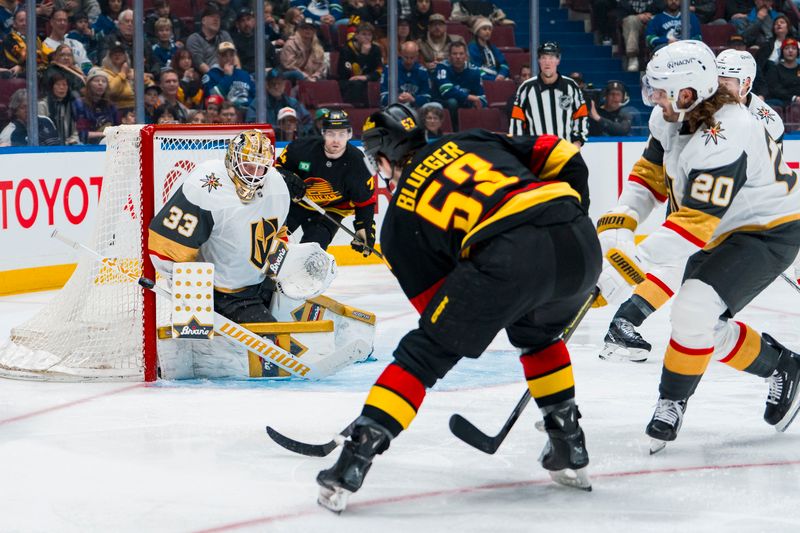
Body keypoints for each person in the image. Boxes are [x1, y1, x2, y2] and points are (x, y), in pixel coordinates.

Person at [316, 103, 600, 513]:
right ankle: (569, 445)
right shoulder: (470, 139)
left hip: (507, 254)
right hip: (579, 242)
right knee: (537, 335)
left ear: (382, 159)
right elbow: (563, 155)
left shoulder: (397, 223)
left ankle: (352, 463)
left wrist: (486, 301)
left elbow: (438, 315)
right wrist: (573, 221)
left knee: (421, 355)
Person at [592, 41, 800, 452]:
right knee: (700, 323)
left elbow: (693, 226)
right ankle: (783, 366)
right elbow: (649, 176)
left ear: (688, 92)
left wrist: (631, 264)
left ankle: (671, 400)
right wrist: (620, 222)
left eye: (660, 91)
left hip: (767, 229)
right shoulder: (673, 114)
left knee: (694, 310)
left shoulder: (730, 131)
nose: (653, 98)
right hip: (720, 227)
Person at [148, 129, 306, 326]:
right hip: (222, 295)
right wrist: (192, 295)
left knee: (303, 331)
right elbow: (166, 245)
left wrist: (283, 270)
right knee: (274, 343)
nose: (255, 176)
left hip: (263, 285)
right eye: (248, 166)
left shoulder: (277, 185)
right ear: (233, 160)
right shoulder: (206, 186)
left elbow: (278, 233)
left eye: (261, 168)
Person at [276, 109, 376, 254]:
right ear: (323, 133)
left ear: (349, 134)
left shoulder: (358, 163)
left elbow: (365, 202)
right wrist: (287, 177)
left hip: (331, 210)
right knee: (272, 239)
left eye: (341, 134)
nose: (336, 140)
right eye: (331, 134)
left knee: (312, 252)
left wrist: (364, 227)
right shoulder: (301, 149)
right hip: (297, 203)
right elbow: (276, 169)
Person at [509, 41, 589, 148]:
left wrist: (577, 143)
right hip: (537, 153)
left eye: (551, 58)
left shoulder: (571, 86)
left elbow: (581, 116)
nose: (547, 62)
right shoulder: (526, 88)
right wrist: (520, 148)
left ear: (558, 60)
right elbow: (517, 121)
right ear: (539, 61)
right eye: (544, 58)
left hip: (564, 152)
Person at [431, 41, 487, 128]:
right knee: (452, 102)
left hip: (464, 103)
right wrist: (469, 97)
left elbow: (482, 96)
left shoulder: (474, 71)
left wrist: (479, 103)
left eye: (461, 54)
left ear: (466, 56)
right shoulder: (442, 67)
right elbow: (446, 91)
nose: (458, 57)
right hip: (443, 102)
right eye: (454, 54)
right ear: (449, 56)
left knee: (482, 107)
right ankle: (454, 131)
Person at [244, 68, 312, 133]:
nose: (276, 87)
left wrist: (298, 132)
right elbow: (251, 125)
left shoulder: (292, 103)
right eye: (273, 83)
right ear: (267, 85)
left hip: (291, 141)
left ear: (284, 84)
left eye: (279, 83)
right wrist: (277, 130)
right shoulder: (257, 104)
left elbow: (308, 121)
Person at [338, 22, 383, 106]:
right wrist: (363, 55)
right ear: (356, 36)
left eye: (369, 35)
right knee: (356, 84)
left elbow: (379, 70)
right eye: (363, 34)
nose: (367, 37)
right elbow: (348, 73)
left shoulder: (376, 49)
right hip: (348, 81)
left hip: (367, 79)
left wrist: (366, 77)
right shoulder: (346, 49)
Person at [202, 41, 256, 111]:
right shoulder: (210, 75)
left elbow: (256, 96)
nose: (228, 58)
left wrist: (248, 106)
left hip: (247, 112)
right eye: (224, 55)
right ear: (218, 56)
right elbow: (212, 99)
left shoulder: (244, 74)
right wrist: (227, 76)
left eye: (231, 55)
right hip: (225, 113)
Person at [379, 40, 431, 107]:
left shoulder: (422, 71)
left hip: (415, 107)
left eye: (412, 58)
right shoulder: (390, 69)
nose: (409, 61)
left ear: (417, 56)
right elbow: (383, 98)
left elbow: (427, 98)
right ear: (401, 54)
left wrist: (413, 99)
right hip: (395, 107)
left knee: (436, 106)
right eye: (406, 57)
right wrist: (397, 98)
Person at [74, 66, 118, 144]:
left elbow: (118, 130)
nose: (100, 83)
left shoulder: (111, 106)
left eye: (104, 81)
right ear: (89, 84)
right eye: (96, 80)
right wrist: (104, 134)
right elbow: (81, 134)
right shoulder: (80, 104)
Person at [186, 4, 233, 76]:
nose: (216, 19)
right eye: (212, 17)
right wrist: (215, 77)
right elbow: (200, 63)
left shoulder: (224, 35)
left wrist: (237, 75)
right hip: (208, 76)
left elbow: (234, 57)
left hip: (228, 73)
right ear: (203, 21)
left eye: (218, 17)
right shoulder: (194, 39)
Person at [231, 6, 278, 75]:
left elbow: (276, 62)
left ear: (254, 21)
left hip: (270, 73)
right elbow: (238, 67)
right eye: (242, 21)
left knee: (291, 74)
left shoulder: (262, 39)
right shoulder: (234, 42)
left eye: (248, 19)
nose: (246, 23)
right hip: (251, 75)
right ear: (237, 24)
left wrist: (274, 72)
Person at [38, 71, 80, 144]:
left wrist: (73, 140)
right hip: (49, 145)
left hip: (70, 145)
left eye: (64, 85)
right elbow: (42, 129)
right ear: (51, 87)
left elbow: (77, 129)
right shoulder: (43, 105)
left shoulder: (72, 105)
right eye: (58, 84)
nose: (61, 87)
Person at [279, 17, 326, 82]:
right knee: (297, 74)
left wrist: (315, 77)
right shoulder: (290, 44)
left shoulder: (318, 47)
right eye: (305, 28)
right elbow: (289, 65)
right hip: (293, 78)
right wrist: (306, 77)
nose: (308, 30)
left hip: (313, 78)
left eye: (311, 28)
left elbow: (321, 66)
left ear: (314, 31)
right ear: (298, 29)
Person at [468, 16, 510, 81]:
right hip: (482, 80)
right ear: (477, 31)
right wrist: (493, 79)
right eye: (484, 29)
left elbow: (504, 64)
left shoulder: (493, 48)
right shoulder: (472, 48)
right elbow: (474, 68)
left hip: (497, 77)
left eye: (490, 29)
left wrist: (502, 75)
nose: (488, 32)